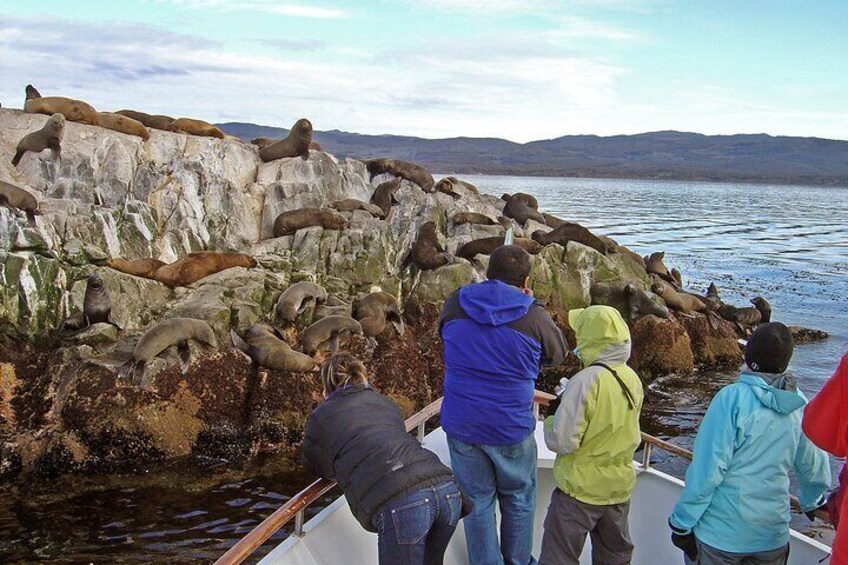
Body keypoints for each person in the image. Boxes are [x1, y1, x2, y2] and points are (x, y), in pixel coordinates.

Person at [439, 244, 567, 565]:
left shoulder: (456, 303)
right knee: (519, 499)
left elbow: (445, 333)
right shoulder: (533, 314)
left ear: (487, 273)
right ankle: (519, 561)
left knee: (478, 502)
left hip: (462, 423)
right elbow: (558, 354)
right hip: (509, 426)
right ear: (525, 279)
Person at [668, 322, 831, 565]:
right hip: (771, 537)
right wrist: (812, 501)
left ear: (749, 354)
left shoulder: (731, 399)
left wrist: (682, 523)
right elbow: (813, 466)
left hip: (720, 536)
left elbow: (708, 471)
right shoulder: (798, 404)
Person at [301, 353, 464, 565]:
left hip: (403, 501)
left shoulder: (321, 416)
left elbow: (314, 464)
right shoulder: (382, 401)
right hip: (447, 490)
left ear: (326, 387)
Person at [539, 305, 644, 565]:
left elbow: (562, 442)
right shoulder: (632, 378)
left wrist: (552, 416)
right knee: (615, 556)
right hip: (618, 489)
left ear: (592, 338)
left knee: (559, 557)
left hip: (580, 491)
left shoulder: (586, 380)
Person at [802, 353, 848, 564]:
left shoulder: (729, 400)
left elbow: (819, 429)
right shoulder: (795, 398)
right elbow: (809, 460)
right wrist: (811, 499)